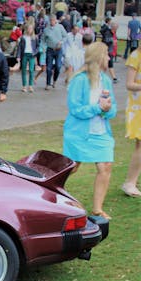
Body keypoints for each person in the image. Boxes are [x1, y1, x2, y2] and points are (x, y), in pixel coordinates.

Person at [63, 42, 117, 219]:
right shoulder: (80, 80)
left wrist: (107, 109)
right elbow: (75, 109)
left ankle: (97, 208)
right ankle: (55, 195)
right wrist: (97, 108)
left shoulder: (106, 79)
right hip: (78, 133)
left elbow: (113, 107)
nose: (109, 58)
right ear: (99, 57)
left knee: (106, 166)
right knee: (72, 167)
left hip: (101, 132)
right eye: (107, 55)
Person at [121, 48, 141, 197]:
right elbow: (129, 84)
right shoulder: (136, 55)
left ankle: (132, 181)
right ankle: (130, 183)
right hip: (137, 106)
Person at [42, 14, 67, 89]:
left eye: (53, 20)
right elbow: (43, 40)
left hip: (58, 50)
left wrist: (61, 42)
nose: (52, 22)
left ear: (56, 20)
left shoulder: (60, 27)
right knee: (49, 67)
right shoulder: (46, 29)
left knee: (58, 66)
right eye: (51, 20)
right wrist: (43, 48)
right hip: (50, 49)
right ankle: (48, 83)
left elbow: (65, 36)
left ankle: (55, 80)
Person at [16, 24, 39, 92]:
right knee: (23, 70)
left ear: (32, 30)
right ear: (26, 29)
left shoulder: (35, 38)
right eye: (28, 29)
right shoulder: (23, 37)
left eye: (31, 29)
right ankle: (24, 86)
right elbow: (19, 47)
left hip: (31, 55)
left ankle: (30, 86)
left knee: (31, 70)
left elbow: (38, 46)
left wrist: (35, 52)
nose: (29, 30)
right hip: (24, 54)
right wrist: (18, 56)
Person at [100, 17, 117, 83]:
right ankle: (101, 76)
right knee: (106, 64)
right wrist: (112, 41)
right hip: (107, 49)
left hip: (109, 49)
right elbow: (104, 36)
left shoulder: (110, 30)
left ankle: (114, 77)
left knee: (108, 64)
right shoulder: (106, 28)